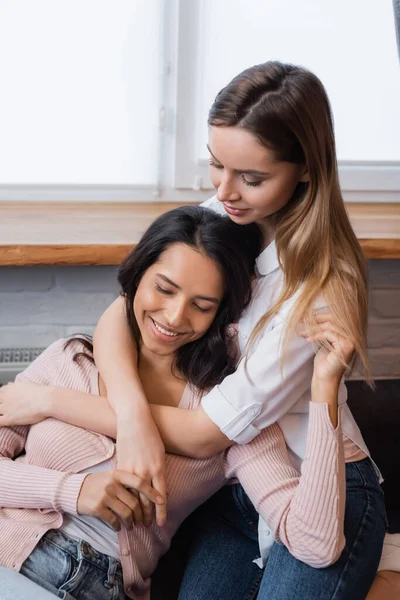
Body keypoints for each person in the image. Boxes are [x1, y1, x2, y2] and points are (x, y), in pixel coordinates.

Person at [83, 61, 393, 598]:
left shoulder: (318, 287)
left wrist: (40, 401)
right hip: (231, 491)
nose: (224, 191)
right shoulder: (222, 214)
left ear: (305, 171)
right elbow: (121, 312)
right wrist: (131, 417)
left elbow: (206, 433)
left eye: (251, 178)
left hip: (316, 488)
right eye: (215, 165)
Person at [1, 205, 355, 600]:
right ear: (138, 275)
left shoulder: (225, 414)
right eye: (164, 289)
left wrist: (325, 389)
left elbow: (316, 544)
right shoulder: (68, 360)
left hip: (92, 584)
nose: (173, 316)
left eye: (201, 306)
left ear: (222, 312)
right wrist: (72, 490)